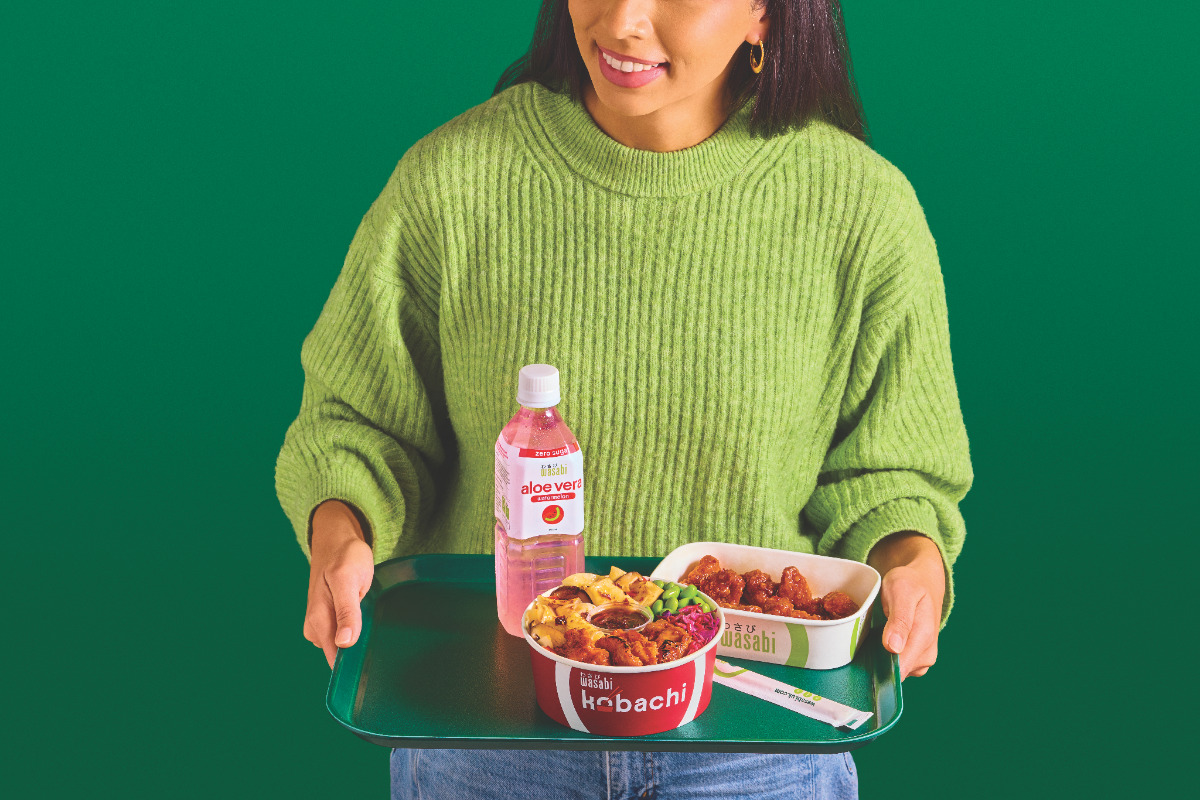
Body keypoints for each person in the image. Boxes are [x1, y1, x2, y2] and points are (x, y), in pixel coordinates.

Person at [276, 1, 972, 798]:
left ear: (766, 15)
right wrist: (342, 528)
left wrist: (914, 562)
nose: (624, 19)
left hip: (759, 739)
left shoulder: (863, 210)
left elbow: (891, 481)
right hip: (489, 733)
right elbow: (359, 425)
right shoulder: (452, 180)